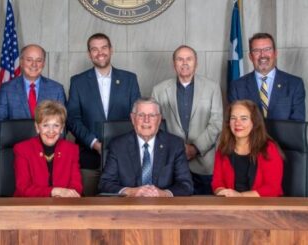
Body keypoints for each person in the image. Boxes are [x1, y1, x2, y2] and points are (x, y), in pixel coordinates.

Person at [152, 45, 223, 195]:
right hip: (171, 163)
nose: (184, 63)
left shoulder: (212, 87)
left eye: (189, 59)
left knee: (204, 212)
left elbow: (216, 123)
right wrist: (177, 149)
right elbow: (156, 126)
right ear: (174, 64)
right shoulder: (158, 90)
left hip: (204, 163)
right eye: (180, 59)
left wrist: (195, 148)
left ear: (196, 63)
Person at [67, 33, 141, 170]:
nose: (100, 53)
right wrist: (94, 143)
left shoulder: (129, 80)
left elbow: (137, 116)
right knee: (89, 191)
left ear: (111, 50)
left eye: (104, 48)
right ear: (89, 54)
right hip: (88, 155)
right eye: (94, 49)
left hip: (125, 155)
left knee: (124, 192)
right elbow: (72, 119)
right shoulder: (78, 82)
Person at [99, 97, 193, 197]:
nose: (146, 120)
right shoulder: (118, 146)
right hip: (128, 207)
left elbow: (186, 185)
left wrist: (164, 194)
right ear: (132, 118)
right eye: (141, 115)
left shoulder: (175, 145)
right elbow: (105, 183)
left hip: (164, 207)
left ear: (159, 119)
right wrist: (131, 192)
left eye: (152, 115)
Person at [0, 44, 66, 139]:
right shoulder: (6, 89)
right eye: (29, 60)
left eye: (39, 60)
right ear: (21, 62)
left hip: (48, 151)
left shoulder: (57, 89)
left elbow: (63, 125)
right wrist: (23, 148)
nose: (34, 64)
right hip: (17, 149)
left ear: (43, 63)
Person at [211, 100, 283, 197]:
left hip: (262, 206)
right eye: (233, 118)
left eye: (244, 118)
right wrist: (223, 192)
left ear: (254, 122)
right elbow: (217, 182)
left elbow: (272, 188)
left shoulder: (268, 149)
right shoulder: (223, 148)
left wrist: (240, 196)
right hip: (230, 205)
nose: (237, 123)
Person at [228, 32, 305, 121]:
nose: (263, 55)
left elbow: (297, 126)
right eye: (256, 50)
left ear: (275, 53)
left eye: (267, 49)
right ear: (250, 56)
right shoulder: (237, 87)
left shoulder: (295, 84)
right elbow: (235, 124)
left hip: (284, 135)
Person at [14, 100, 83, 197]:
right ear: (37, 127)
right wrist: (54, 191)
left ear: (62, 128)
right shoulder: (22, 149)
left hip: (62, 207)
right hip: (29, 208)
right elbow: (23, 188)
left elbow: (76, 186)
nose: (51, 131)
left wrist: (64, 197)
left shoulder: (72, 150)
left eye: (56, 125)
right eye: (45, 125)